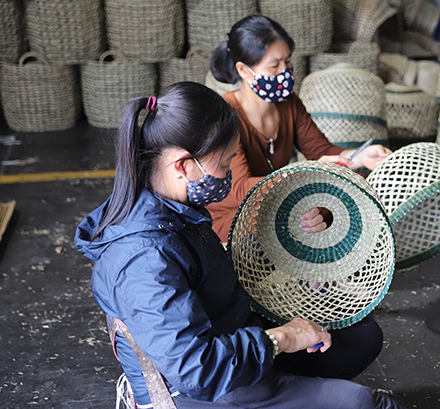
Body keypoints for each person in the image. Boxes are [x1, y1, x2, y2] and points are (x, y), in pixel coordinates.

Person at [74, 82, 403, 409]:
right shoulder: (143, 257)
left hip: (230, 343)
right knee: (364, 403)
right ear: (183, 165)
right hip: (199, 387)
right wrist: (282, 338)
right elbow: (196, 370)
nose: (229, 174)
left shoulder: (176, 209)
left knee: (361, 337)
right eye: (225, 164)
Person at [207, 14, 391, 242]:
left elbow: (320, 151)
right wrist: (304, 175)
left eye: (288, 62)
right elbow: (239, 190)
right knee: (303, 215)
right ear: (244, 71)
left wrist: (359, 157)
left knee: (354, 183)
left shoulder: (289, 102)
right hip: (236, 213)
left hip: (278, 199)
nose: (285, 72)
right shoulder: (224, 115)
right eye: (275, 66)